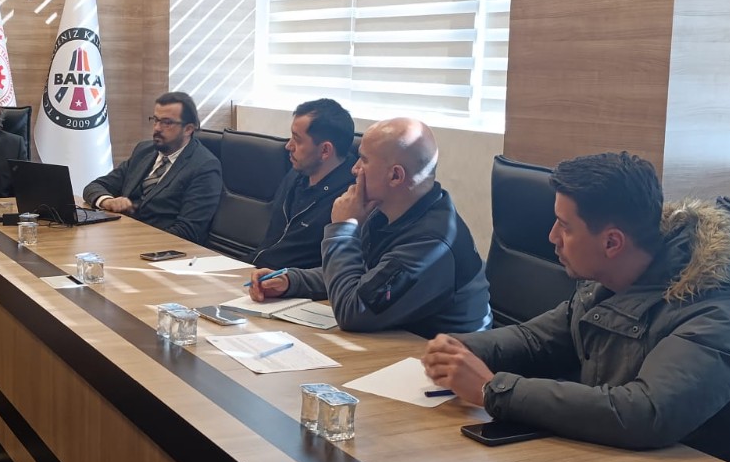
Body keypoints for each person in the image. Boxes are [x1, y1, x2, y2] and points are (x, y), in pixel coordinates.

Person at [422, 152, 730, 462]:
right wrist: (459, 350)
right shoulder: (610, 281)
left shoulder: (720, 314)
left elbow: (643, 413)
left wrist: (493, 391)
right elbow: (537, 340)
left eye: (565, 226)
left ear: (612, 242)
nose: (552, 237)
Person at [247, 118, 489, 336]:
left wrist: (342, 229)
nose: (354, 169)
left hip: (435, 358)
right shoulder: (385, 212)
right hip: (394, 341)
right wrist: (291, 281)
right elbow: (365, 276)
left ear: (395, 176)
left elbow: (353, 312)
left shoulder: (430, 243)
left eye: (363, 160)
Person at [83, 91, 223, 244]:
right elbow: (95, 186)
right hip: (122, 239)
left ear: (188, 129)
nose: (157, 128)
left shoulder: (204, 167)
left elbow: (188, 231)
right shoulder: (144, 151)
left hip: (160, 248)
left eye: (167, 123)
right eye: (155, 120)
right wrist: (108, 201)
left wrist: (135, 240)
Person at [253, 98, 357, 269]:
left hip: (289, 281)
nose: (288, 146)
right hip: (255, 269)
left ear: (325, 150)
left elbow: (334, 269)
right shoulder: (297, 173)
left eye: (297, 140)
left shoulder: (349, 197)